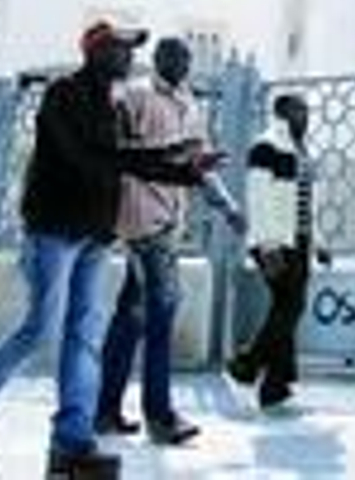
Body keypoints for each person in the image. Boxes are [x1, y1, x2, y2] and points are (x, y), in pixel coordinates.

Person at [0, 20, 220, 479]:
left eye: (132, 50)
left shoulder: (112, 106)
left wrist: (186, 171)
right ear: (95, 51)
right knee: (40, 328)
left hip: (93, 237)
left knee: (85, 338)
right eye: (121, 49)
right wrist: (172, 159)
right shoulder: (63, 95)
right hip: (53, 231)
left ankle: (71, 446)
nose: (131, 58)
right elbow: (91, 158)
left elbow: (126, 161)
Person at [94, 36, 245, 446]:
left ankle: (103, 409)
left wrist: (227, 208)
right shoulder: (137, 97)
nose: (179, 62)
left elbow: (199, 164)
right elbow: (116, 153)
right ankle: (159, 415)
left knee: (131, 316)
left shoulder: (190, 104)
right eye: (171, 56)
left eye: (185, 57)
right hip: (142, 218)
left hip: (169, 218)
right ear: (157, 60)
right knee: (161, 311)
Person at [224, 92, 330, 410]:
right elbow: (258, 199)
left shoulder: (303, 151)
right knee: (291, 306)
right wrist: (269, 247)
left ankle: (275, 387)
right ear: (281, 113)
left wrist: (319, 243)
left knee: (287, 307)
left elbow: (307, 205)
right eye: (298, 111)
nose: (305, 117)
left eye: (307, 111)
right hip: (275, 242)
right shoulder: (265, 146)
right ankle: (247, 364)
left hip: (299, 241)